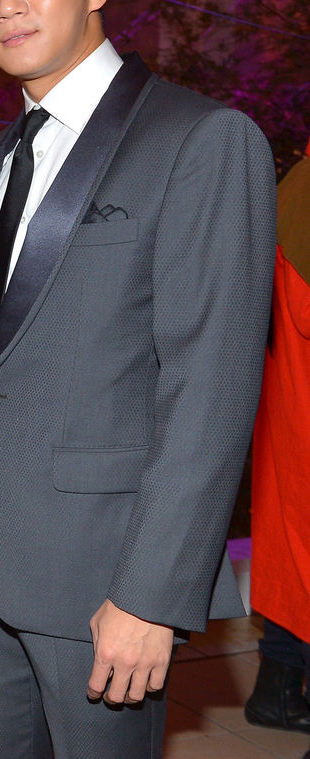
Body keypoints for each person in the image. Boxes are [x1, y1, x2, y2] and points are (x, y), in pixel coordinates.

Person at [0, 0, 277, 758]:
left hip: (101, 577)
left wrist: (154, 592)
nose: (6, 5)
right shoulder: (3, 151)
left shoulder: (199, 140)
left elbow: (212, 384)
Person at [244, 150, 310, 733]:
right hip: (298, 411)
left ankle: (280, 691)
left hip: (288, 414)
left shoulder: (296, 184)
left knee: (296, 560)